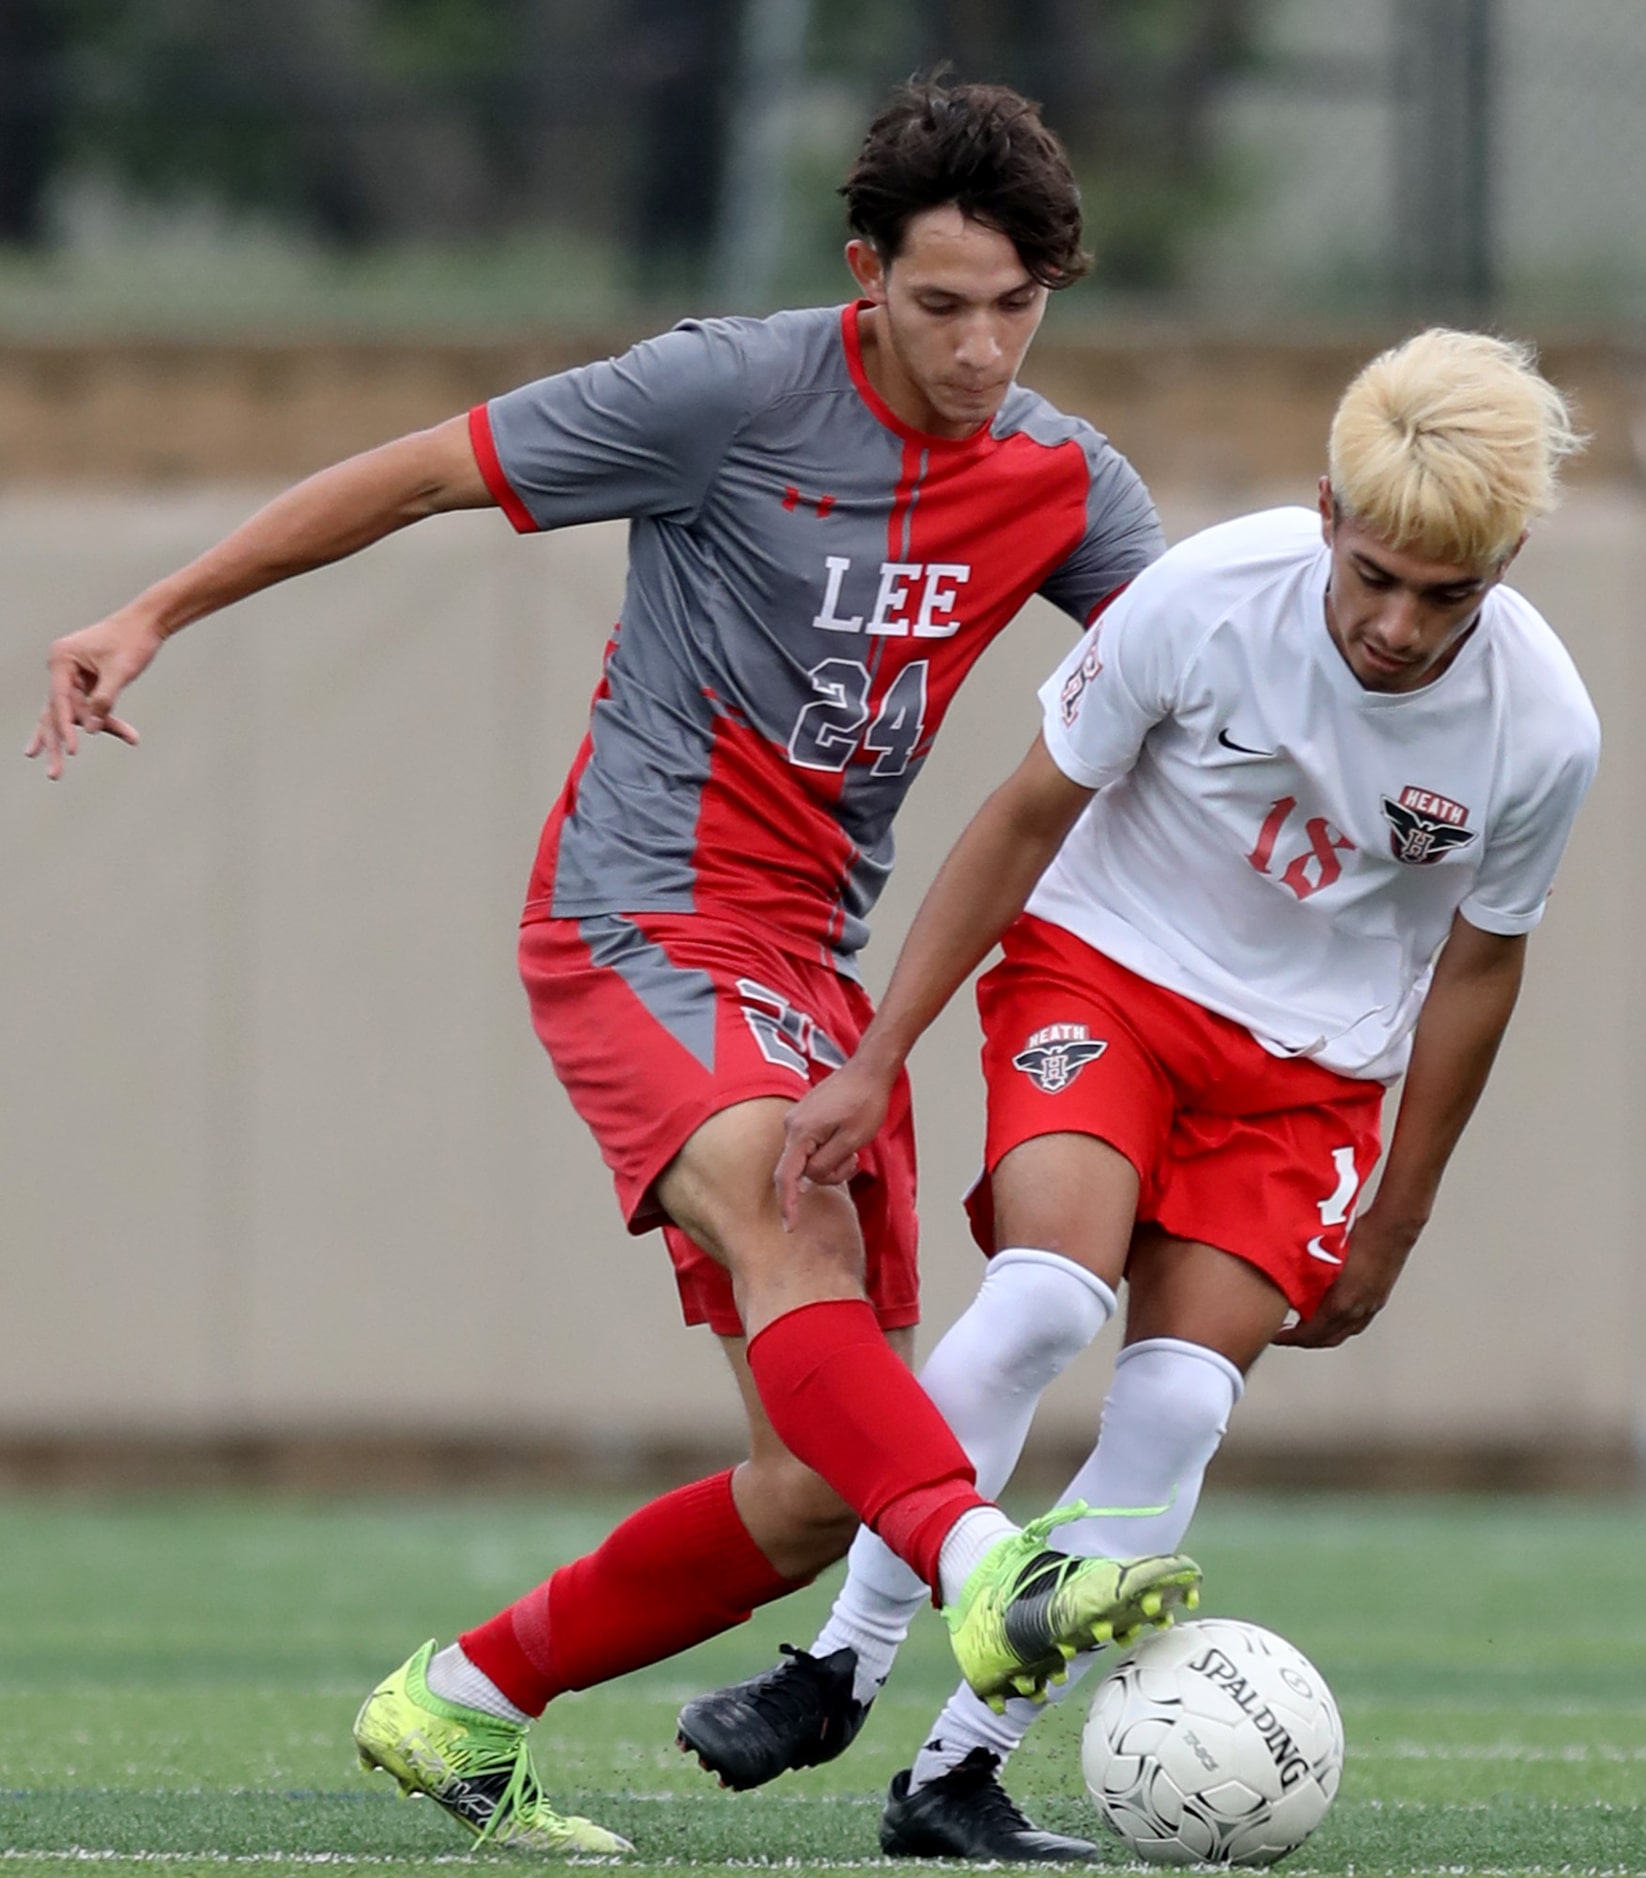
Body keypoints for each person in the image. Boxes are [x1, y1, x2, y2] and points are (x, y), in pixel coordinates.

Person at [27, 78, 1203, 1858]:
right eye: (939, 302)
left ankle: (464, 1701)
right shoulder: (723, 389)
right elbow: (421, 471)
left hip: (815, 965)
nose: (978, 346)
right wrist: (152, 611)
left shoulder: (1059, 481)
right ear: (860, 273)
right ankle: (986, 1571)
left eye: (1016, 308)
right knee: (785, 1231)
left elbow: (1215, 673)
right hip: (639, 915)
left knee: (817, 1490)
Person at [676, 327, 1599, 1861]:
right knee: (1041, 1300)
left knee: (1174, 1398)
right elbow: (1026, 810)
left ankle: (958, 1773)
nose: (1393, 625)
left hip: (1305, 1084)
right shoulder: (1208, 595)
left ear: (1500, 564)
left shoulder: (1540, 726)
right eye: (1370, 574)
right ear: (1324, 510)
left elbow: (1477, 974)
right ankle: (836, 1662)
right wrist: (874, 1050)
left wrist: (1396, 1218)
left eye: (1445, 596)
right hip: (1105, 980)